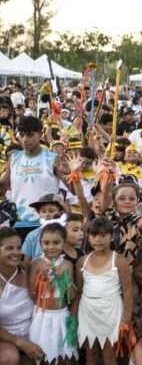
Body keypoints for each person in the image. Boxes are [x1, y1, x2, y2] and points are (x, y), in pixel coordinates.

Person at [76, 217, 134, 365]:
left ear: (111, 236)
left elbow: (127, 292)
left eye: (103, 235)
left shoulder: (119, 261)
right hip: (87, 311)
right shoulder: (82, 261)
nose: (98, 240)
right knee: (90, 354)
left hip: (111, 312)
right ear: (88, 237)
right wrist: (73, 317)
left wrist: (125, 320)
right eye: (94, 235)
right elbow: (79, 292)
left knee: (109, 355)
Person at [27, 223, 78, 364]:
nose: (51, 247)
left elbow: (72, 296)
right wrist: (40, 279)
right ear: (40, 244)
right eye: (46, 243)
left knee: (63, 355)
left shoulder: (67, 265)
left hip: (61, 314)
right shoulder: (36, 264)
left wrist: (65, 279)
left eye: (56, 242)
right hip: (41, 316)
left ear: (63, 243)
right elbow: (31, 293)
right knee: (42, 354)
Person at [0, 116, 60, 236]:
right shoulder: (14, 159)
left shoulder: (52, 158)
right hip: (19, 222)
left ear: (40, 134)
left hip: (47, 224)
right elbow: (2, 188)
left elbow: (72, 188)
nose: (25, 139)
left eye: (30, 135)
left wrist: (74, 174)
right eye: (22, 135)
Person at [0, 227, 41, 364]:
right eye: (9, 248)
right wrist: (21, 342)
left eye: (18, 247)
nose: (16, 252)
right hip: (6, 338)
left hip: (34, 333)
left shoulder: (29, 271)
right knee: (9, 357)